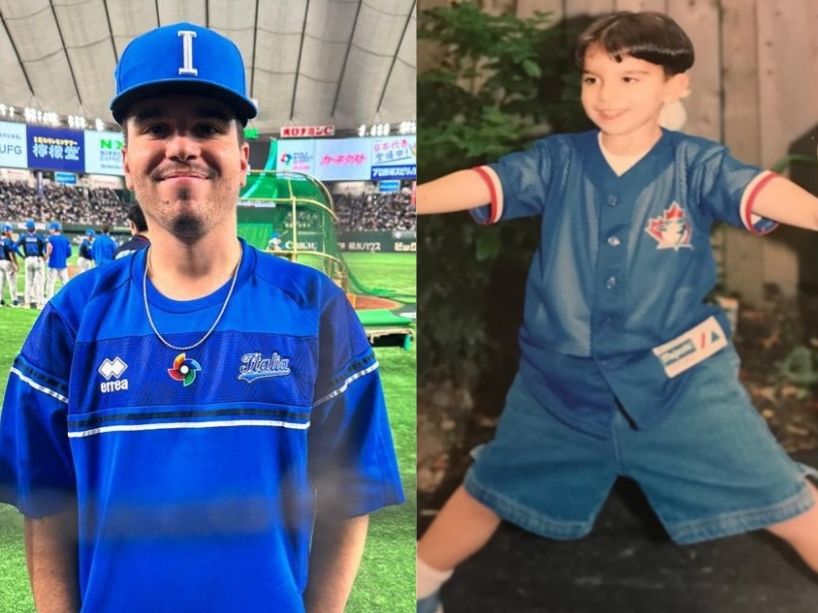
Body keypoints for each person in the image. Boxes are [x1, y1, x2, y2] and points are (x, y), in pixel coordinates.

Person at [415, 11, 818, 613]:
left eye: (630, 78)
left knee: (786, 502)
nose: (606, 95)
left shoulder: (697, 165)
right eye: (593, 79)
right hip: (560, 387)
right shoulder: (558, 159)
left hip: (679, 385)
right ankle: (416, 589)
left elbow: (759, 190)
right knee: (489, 490)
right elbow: (487, 181)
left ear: (675, 84)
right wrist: (404, 201)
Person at [0, 21, 403, 613]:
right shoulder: (71, 317)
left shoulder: (314, 309)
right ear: (128, 156)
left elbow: (348, 496)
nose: (182, 146)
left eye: (207, 126)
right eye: (157, 126)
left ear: (242, 156)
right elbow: (48, 504)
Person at [15, 218, 46, 309]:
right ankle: (39, 303)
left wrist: (22, 256)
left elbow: (14, 247)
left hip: (28, 259)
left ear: (27, 228)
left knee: (28, 282)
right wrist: (42, 255)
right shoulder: (38, 237)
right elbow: (45, 245)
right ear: (34, 227)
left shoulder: (24, 237)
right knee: (39, 282)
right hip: (37, 259)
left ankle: (27, 303)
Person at [44, 221, 72, 301]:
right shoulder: (65, 239)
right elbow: (69, 253)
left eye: (51, 229)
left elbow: (48, 251)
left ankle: (49, 299)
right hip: (63, 264)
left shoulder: (50, 239)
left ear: (54, 229)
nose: (50, 230)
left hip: (53, 263)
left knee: (51, 283)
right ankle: (67, 299)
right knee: (65, 283)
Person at [0, 223, 20, 306]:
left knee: (1, 282)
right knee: (12, 282)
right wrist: (15, 264)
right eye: (10, 230)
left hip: (0, 262)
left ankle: (0, 299)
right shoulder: (9, 240)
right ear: (6, 231)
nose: (11, 232)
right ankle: (14, 300)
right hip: (7, 262)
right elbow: (11, 253)